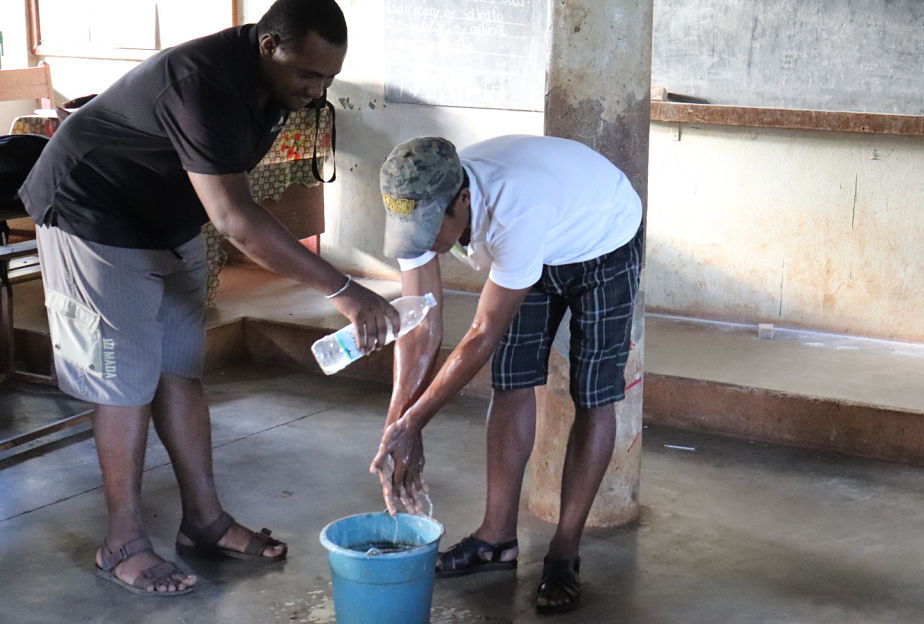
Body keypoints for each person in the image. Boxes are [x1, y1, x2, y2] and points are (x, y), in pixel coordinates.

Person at [19, 0, 398, 596]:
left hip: (167, 222)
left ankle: (205, 522)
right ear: (269, 45)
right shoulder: (200, 82)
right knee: (124, 385)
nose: (316, 88)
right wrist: (345, 290)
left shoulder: (277, 89)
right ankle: (121, 543)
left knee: (179, 370)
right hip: (92, 214)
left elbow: (225, 194)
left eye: (328, 76)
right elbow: (235, 219)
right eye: (307, 73)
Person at [370, 134, 643, 614]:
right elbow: (419, 326)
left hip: (602, 239)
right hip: (534, 240)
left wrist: (416, 424)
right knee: (512, 380)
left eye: (434, 229)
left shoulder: (515, 208)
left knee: (593, 393)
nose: (427, 243)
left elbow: (481, 333)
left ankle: (563, 553)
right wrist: (398, 425)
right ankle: (497, 540)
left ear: (463, 199)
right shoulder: (417, 204)